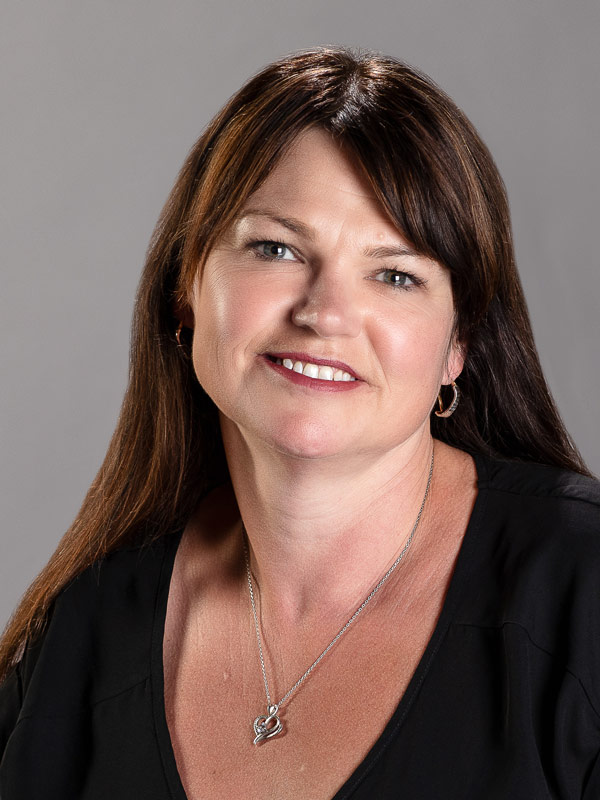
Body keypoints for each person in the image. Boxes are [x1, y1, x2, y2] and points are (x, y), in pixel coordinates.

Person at [0, 46, 598, 800]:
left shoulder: (580, 593)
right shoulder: (82, 636)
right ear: (187, 291)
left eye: (395, 274)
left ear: (458, 347)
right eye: (276, 248)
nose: (325, 314)